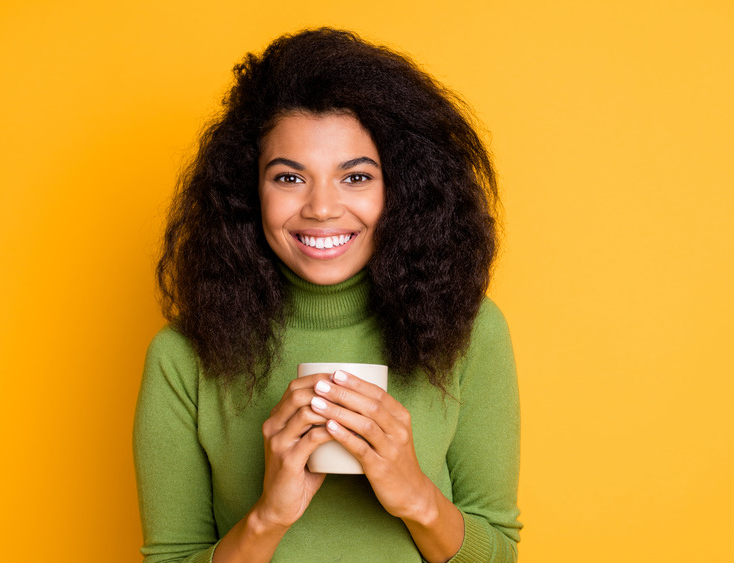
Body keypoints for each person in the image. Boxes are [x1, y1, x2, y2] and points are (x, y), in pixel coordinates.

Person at [134, 28, 521, 563]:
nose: (321, 208)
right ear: (249, 193)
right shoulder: (182, 355)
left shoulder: (472, 330)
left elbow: (498, 553)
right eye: (290, 178)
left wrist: (416, 496)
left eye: (355, 177)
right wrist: (269, 516)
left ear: (402, 189)